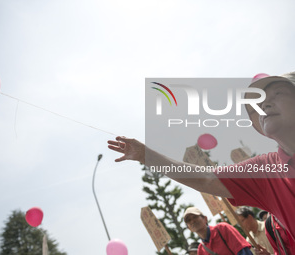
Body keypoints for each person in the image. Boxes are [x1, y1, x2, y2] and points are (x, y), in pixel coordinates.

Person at [107, 71, 295, 254]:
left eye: (277, 93)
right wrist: (146, 155)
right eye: (258, 104)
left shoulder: (224, 228)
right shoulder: (265, 170)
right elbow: (207, 178)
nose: (265, 105)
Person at [183, 207, 252, 254]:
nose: (193, 221)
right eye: (188, 220)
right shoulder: (201, 250)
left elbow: (243, 251)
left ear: (205, 219)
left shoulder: (223, 229)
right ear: (189, 228)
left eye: (195, 217)